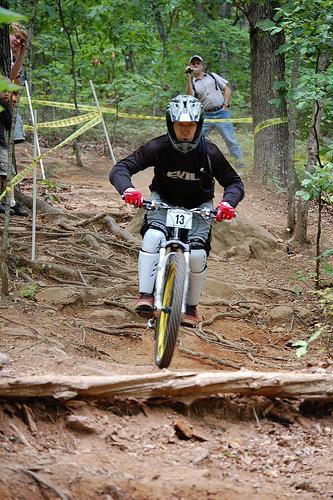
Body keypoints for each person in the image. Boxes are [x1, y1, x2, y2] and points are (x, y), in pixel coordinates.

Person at [109, 95, 244, 326]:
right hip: (163, 202)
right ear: (170, 125)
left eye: (190, 125)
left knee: (198, 255)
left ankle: (190, 307)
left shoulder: (209, 152)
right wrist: (128, 189)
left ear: (199, 125)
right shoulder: (158, 147)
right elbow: (121, 167)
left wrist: (227, 204)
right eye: (179, 125)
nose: (184, 131)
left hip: (199, 207)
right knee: (152, 237)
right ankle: (145, 296)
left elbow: (234, 182)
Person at [185, 55, 244, 168]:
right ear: (190, 66)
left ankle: (240, 164)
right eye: (193, 63)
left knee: (230, 140)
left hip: (222, 112)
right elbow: (189, 97)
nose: (196, 65)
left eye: (198, 63)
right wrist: (188, 77)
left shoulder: (212, 76)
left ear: (202, 66)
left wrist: (225, 104)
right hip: (206, 115)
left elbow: (227, 89)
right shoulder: (191, 82)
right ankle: (192, 164)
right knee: (196, 139)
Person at [8, 22, 29, 216]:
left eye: (22, 40)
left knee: (9, 157)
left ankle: (11, 200)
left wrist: (21, 54)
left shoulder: (14, 57)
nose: (18, 42)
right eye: (17, 37)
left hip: (10, 111)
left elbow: (14, 77)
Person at [0, 87, 15, 214]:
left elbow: (9, 125)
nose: (7, 94)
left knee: (8, 173)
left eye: (9, 92)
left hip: (2, 143)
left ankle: (12, 202)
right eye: (4, 91)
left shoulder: (4, 106)